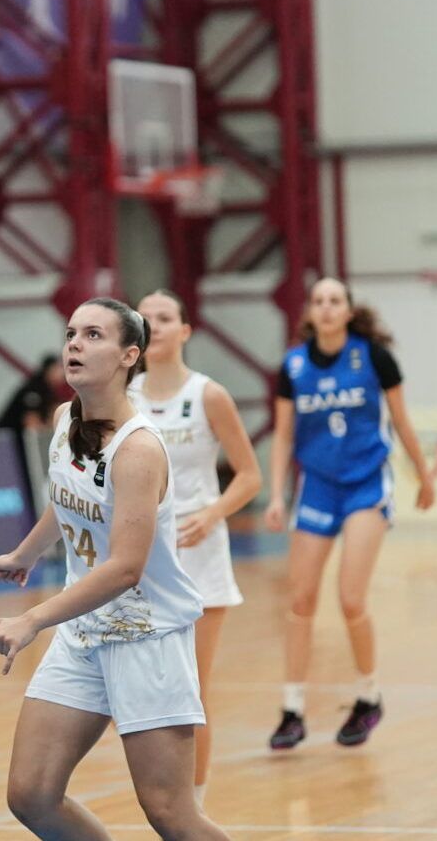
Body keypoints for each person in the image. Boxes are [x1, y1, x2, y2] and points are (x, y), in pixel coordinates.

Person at [0, 298, 229, 841]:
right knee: (31, 794)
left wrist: (32, 619)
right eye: (71, 333)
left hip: (147, 639)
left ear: (128, 355)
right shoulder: (64, 419)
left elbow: (124, 570)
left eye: (93, 335)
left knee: (170, 812)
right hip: (84, 632)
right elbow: (67, 499)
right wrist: (26, 554)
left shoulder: (138, 450)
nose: (74, 343)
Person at [264, 278, 437, 751]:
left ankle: (368, 696)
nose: (326, 308)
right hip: (317, 486)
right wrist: (277, 495)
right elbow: (283, 436)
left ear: (348, 311)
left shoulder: (374, 358)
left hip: (366, 483)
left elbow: (401, 422)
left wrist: (423, 476)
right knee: (301, 599)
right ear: (309, 312)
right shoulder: (293, 366)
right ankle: (292, 710)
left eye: (335, 301)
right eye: (318, 301)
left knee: (349, 598)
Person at [130, 290, 262, 809]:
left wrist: (211, 513)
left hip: (198, 556)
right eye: (145, 319)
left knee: (191, 692)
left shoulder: (209, 395)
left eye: (165, 318)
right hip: (138, 558)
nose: (155, 326)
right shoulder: (122, 395)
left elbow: (249, 475)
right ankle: (163, 799)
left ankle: (193, 812)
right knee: (142, 692)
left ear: (185, 330)